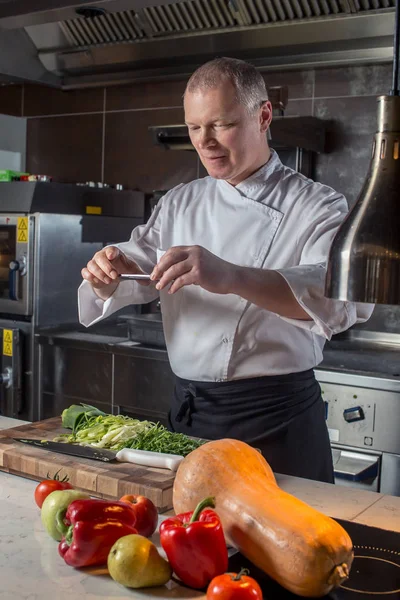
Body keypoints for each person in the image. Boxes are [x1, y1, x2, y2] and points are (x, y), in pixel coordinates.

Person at [79, 57, 373, 483]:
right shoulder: (181, 200)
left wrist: (228, 275)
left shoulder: (318, 205)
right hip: (190, 416)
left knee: (286, 546)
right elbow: (141, 262)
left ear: (264, 116)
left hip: (274, 423)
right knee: (191, 545)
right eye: (195, 128)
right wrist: (112, 270)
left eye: (221, 125)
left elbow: (334, 301)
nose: (206, 142)